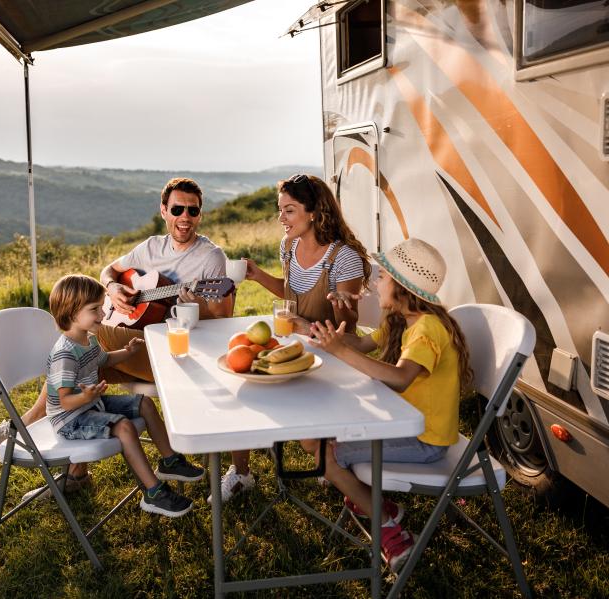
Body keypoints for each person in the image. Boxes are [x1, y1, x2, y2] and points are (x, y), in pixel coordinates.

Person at [0, 178, 233, 498]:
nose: (185, 217)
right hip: (138, 346)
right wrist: (114, 289)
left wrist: (199, 303)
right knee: (87, 364)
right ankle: (72, 471)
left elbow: (222, 318)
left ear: (200, 215)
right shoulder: (150, 247)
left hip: (178, 356)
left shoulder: (210, 257)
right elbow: (110, 271)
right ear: (164, 210)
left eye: (193, 210)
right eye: (177, 209)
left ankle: (14, 427)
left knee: (85, 342)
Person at [301, 237, 473, 572]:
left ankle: (388, 526)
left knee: (324, 452)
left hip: (425, 440)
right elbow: (361, 343)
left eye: (383, 277)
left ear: (402, 287)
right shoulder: (403, 321)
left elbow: (399, 378)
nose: (377, 281)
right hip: (400, 423)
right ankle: (379, 505)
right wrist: (315, 333)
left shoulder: (427, 329)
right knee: (313, 440)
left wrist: (339, 351)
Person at [209, 174, 371, 504]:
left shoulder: (344, 257)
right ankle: (242, 471)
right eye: (280, 210)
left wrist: (339, 309)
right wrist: (256, 276)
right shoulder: (289, 246)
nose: (281, 219)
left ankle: (334, 459)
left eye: (289, 211)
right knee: (240, 386)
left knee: (260, 393)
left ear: (314, 212)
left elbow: (347, 328)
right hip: (295, 345)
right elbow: (290, 292)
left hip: (334, 356)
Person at [44, 273, 204, 516]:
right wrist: (85, 398)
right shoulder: (64, 354)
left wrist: (127, 352)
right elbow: (65, 402)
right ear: (72, 313)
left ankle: (170, 461)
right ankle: (153, 492)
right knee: (125, 426)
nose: (102, 314)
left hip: (90, 405)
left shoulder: (88, 338)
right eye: (95, 309)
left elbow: (105, 359)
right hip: (71, 419)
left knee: (145, 404)